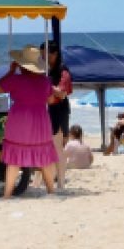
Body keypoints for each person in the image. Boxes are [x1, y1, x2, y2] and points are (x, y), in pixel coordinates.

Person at [0, 46, 59, 197]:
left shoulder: (15, 80)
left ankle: (7, 194)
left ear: (21, 65)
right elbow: (50, 100)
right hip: (40, 121)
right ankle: (51, 191)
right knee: (44, 157)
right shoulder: (45, 81)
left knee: (14, 158)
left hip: (19, 121)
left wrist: (10, 71)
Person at [41, 41, 73, 185]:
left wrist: (46, 84)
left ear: (54, 54)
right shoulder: (46, 70)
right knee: (47, 145)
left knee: (57, 146)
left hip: (58, 109)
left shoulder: (62, 71)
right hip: (47, 109)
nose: (43, 57)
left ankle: (60, 182)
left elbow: (62, 93)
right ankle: (43, 179)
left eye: (45, 54)